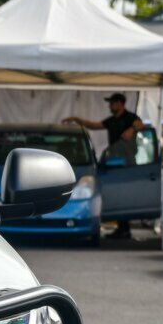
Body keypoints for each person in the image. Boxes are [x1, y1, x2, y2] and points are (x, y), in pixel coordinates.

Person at [63, 93, 145, 239]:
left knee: (125, 195)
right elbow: (94, 125)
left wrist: (131, 129)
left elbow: (141, 124)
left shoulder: (130, 118)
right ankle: (122, 227)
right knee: (118, 194)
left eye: (112, 103)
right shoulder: (112, 120)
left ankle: (125, 228)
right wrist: (76, 120)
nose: (109, 106)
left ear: (120, 103)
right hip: (114, 161)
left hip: (127, 163)